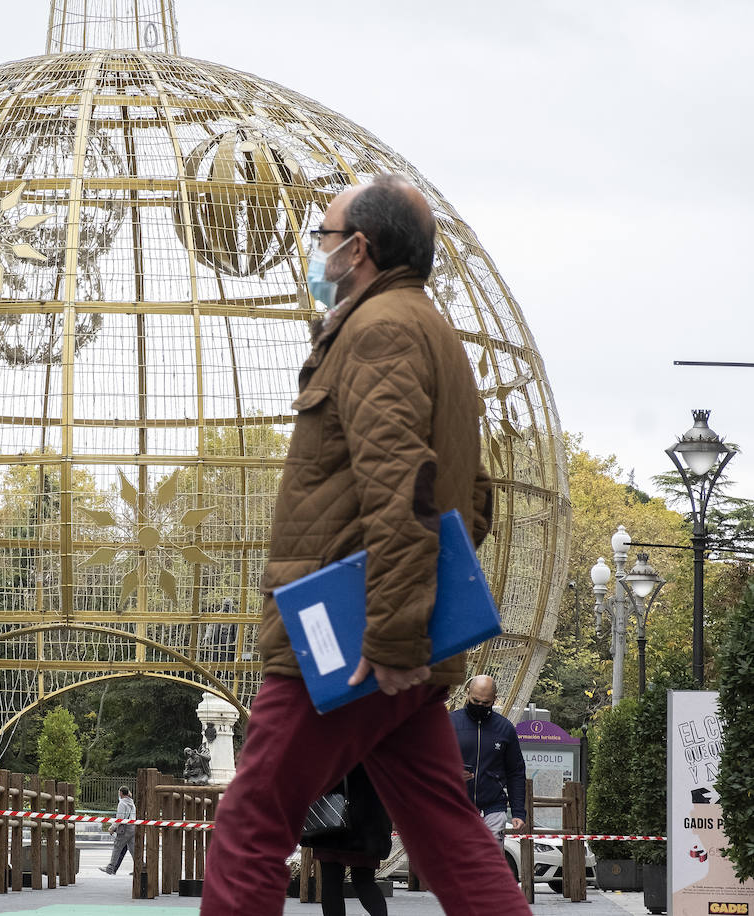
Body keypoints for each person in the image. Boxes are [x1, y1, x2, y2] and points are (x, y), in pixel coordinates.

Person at [200, 175, 528, 916]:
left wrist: (390, 630)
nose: (315, 252)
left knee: (250, 825)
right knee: (447, 830)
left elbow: (401, 488)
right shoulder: (432, 331)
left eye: (322, 236)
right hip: (397, 633)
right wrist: (416, 624)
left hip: (348, 641)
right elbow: (472, 500)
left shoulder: (379, 331)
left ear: (358, 248)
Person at [300, 765, 392, 916]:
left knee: (331, 881)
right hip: (367, 815)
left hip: (331, 811)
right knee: (363, 881)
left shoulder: (328, 742)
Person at [450, 675, 527, 848]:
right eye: (475, 701)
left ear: (494, 699)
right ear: (467, 693)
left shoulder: (505, 729)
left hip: (493, 809)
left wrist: (518, 812)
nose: (479, 706)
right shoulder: (450, 724)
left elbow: (516, 772)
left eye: (485, 703)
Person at [98, 786, 136, 876]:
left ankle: (110, 868)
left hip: (124, 828)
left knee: (117, 847)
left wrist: (112, 827)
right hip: (133, 827)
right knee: (133, 849)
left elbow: (120, 818)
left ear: (121, 793)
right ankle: (141, 867)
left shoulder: (122, 803)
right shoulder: (132, 803)